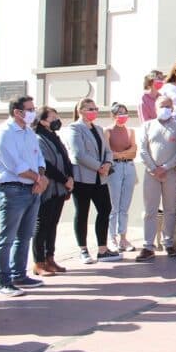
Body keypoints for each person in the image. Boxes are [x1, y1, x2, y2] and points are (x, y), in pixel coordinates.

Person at [0, 96, 47, 296]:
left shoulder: (29, 133)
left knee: (25, 236)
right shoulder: (4, 133)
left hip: (32, 189)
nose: (33, 112)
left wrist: (40, 175)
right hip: (13, 190)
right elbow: (13, 164)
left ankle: (19, 274)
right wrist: (37, 178)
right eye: (30, 109)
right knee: (7, 238)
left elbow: (38, 157)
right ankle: (3, 281)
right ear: (17, 112)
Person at [64, 98, 120, 264]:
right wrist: (98, 166)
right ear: (81, 110)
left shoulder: (99, 129)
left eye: (95, 108)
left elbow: (108, 151)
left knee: (105, 209)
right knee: (82, 212)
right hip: (83, 178)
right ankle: (83, 249)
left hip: (100, 178)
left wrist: (108, 164)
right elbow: (78, 154)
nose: (94, 111)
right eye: (90, 109)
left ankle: (102, 249)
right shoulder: (75, 128)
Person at [136, 97, 176, 262]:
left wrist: (165, 167)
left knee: (170, 210)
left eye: (169, 106)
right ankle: (148, 246)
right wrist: (153, 168)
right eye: (162, 106)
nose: (166, 109)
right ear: (156, 108)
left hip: (170, 174)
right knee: (150, 210)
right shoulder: (147, 126)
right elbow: (142, 149)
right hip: (151, 174)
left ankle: (168, 243)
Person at [32, 107, 73, 276]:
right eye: (52, 118)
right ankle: (39, 262)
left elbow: (65, 158)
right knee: (42, 224)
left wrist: (70, 177)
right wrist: (64, 179)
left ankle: (50, 258)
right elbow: (47, 164)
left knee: (53, 224)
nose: (56, 121)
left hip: (60, 188)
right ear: (42, 121)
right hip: (49, 188)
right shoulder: (38, 138)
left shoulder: (55, 137)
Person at [105, 103, 138, 252]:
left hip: (129, 167)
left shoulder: (130, 131)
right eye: (119, 113)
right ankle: (111, 237)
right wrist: (122, 154)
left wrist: (122, 154)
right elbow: (108, 153)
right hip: (115, 168)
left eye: (125, 112)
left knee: (125, 206)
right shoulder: (108, 131)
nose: (122, 115)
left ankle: (123, 237)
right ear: (113, 115)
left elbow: (134, 151)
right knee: (114, 205)